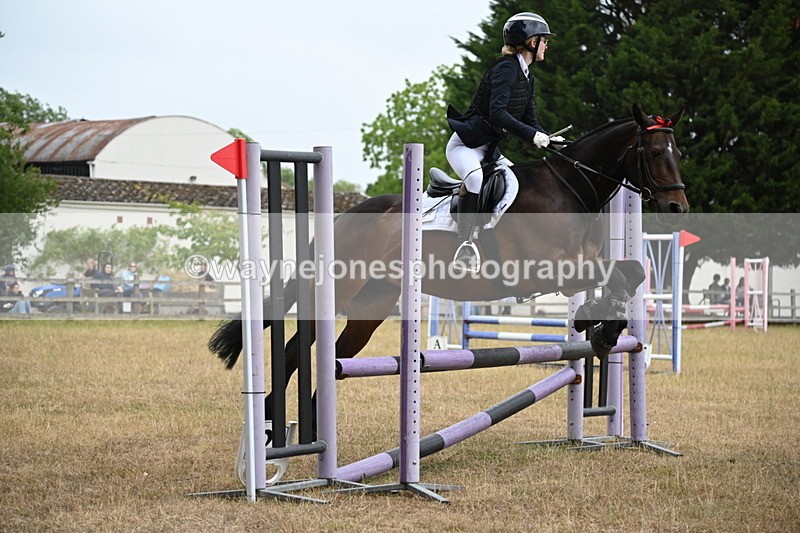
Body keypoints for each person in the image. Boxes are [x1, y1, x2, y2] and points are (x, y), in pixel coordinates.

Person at [445, 12, 564, 271]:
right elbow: (498, 113)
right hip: (465, 146)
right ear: (532, 42)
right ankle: (464, 245)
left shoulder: (527, 77)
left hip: (489, 150)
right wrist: (533, 136)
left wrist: (552, 139)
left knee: (513, 182)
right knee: (475, 179)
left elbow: (530, 119)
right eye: (545, 40)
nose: (547, 46)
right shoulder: (506, 69)